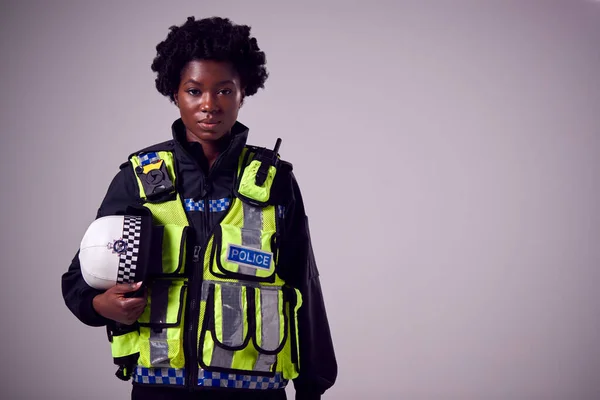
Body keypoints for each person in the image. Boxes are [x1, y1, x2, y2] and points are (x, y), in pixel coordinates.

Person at [61, 16, 337, 400]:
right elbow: (79, 279)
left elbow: (303, 285)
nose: (209, 104)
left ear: (244, 93)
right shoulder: (139, 180)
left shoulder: (274, 182)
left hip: (253, 392)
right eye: (194, 91)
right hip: (159, 390)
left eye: (224, 91)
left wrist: (312, 388)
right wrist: (101, 305)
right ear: (175, 93)